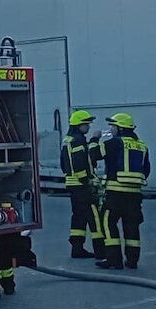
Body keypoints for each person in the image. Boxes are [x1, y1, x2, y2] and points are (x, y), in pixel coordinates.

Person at [98, 113, 150, 269]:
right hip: (134, 195)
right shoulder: (142, 146)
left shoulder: (114, 143)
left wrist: (95, 139)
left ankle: (114, 260)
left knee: (108, 223)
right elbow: (146, 169)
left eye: (113, 126)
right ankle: (132, 260)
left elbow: (95, 154)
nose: (111, 129)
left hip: (115, 193)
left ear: (119, 128)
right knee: (132, 226)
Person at [60, 109, 105, 260]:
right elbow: (80, 163)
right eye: (86, 124)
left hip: (72, 185)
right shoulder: (79, 140)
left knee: (78, 216)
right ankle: (101, 251)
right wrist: (87, 182)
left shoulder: (67, 140)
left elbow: (63, 163)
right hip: (82, 185)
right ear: (79, 125)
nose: (88, 127)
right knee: (94, 217)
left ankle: (77, 248)